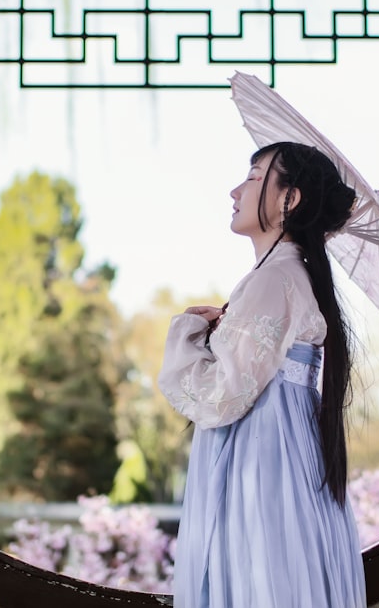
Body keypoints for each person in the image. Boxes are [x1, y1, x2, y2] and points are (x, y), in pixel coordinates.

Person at [157, 141, 367, 607]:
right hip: (287, 451)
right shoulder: (294, 272)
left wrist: (187, 331)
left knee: (256, 579)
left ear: (289, 199)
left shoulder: (274, 278)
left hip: (260, 457)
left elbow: (221, 397)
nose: (235, 190)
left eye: (253, 177)